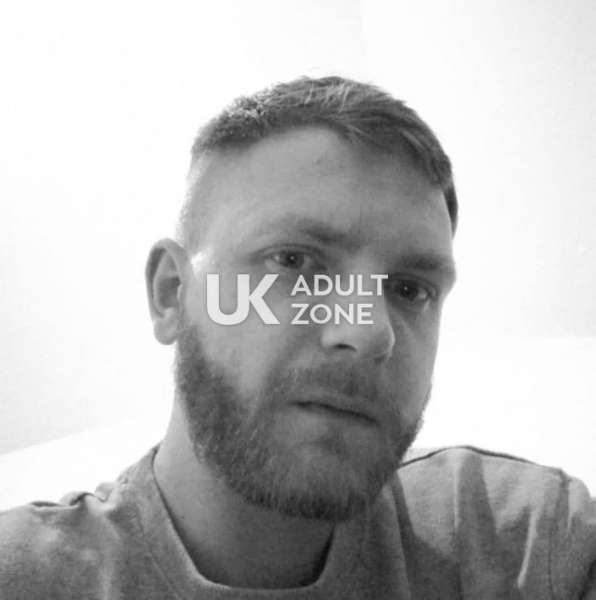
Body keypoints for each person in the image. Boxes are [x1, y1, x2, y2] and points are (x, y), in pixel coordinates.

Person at [1, 76, 595, 599]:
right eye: (294, 261)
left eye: (410, 289)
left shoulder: (520, 540)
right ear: (172, 293)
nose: (368, 330)